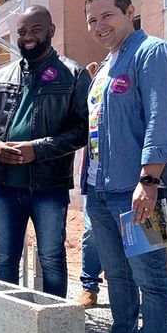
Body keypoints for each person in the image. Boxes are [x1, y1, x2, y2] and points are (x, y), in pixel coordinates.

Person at [82, 0, 167, 333]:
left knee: (152, 279)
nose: (98, 26)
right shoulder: (108, 64)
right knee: (117, 277)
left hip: (142, 190)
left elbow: (163, 116)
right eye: (91, 20)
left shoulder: (153, 53)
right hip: (102, 191)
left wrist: (150, 178)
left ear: (130, 11)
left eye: (106, 15)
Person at [0, 5, 90, 298]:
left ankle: (53, 326)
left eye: (36, 30)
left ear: (51, 30)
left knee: (51, 260)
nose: (28, 37)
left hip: (49, 187)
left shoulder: (74, 74)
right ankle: (8, 325)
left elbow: (82, 130)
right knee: (4, 262)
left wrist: (37, 150)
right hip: (4, 187)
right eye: (22, 32)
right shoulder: (2, 76)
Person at [76, 61, 103, 308]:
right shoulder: (93, 88)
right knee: (92, 232)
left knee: (141, 239)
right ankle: (89, 286)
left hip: (133, 179)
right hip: (94, 179)